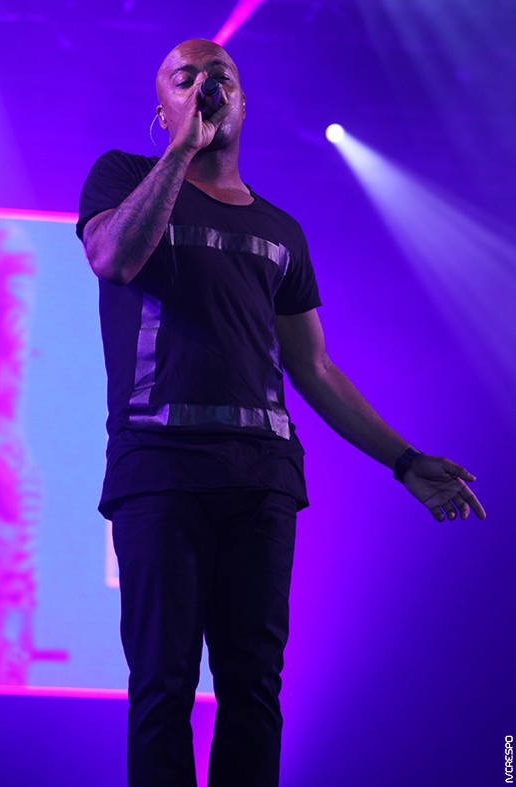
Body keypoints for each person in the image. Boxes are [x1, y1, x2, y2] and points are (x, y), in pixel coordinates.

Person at [76, 38, 486, 787]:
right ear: (161, 108)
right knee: (162, 687)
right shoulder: (124, 177)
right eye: (185, 78)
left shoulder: (281, 231)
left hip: (260, 478)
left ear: (244, 102)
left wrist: (402, 460)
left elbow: (315, 368)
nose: (205, 86)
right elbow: (113, 258)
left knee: (254, 692)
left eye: (221, 77)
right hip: (159, 470)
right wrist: (182, 150)